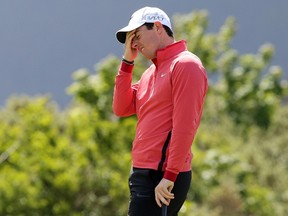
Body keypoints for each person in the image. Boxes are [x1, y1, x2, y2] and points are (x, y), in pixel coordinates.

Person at [113, 6, 208, 216]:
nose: (134, 43)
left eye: (136, 35)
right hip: (142, 173)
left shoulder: (185, 65)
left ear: (157, 27)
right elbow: (120, 108)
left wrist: (170, 176)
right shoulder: (151, 72)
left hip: (162, 176)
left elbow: (185, 126)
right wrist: (127, 61)